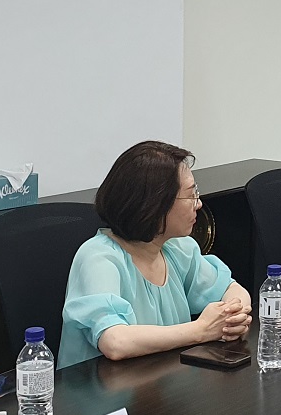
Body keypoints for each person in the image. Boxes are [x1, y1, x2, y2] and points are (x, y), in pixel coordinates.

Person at [59, 141, 250, 368]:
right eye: (190, 195)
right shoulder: (98, 258)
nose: (198, 204)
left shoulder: (178, 248)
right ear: (155, 205)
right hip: (102, 394)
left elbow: (230, 288)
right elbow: (115, 342)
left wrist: (232, 317)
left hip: (158, 383)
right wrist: (200, 330)